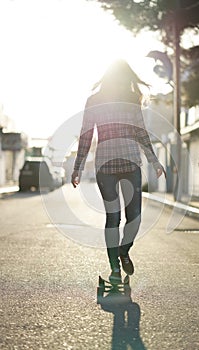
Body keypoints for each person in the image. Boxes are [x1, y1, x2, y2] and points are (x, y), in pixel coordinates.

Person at [71, 59, 166, 284]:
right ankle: (114, 269)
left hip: (131, 164)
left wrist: (154, 161)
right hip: (106, 167)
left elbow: (141, 133)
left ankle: (123, 251)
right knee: (113, 218)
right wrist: (78, 166)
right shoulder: (93, 101)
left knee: (135, 217)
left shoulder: (132, 100)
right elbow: (86, 134)